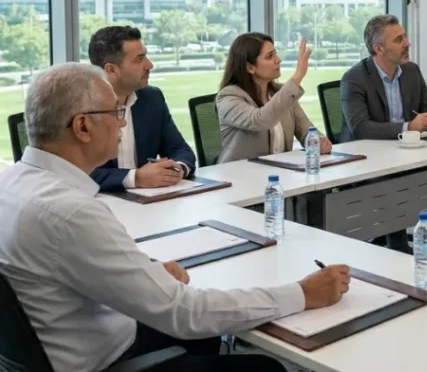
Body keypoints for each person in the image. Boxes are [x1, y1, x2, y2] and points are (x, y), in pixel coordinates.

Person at [0, 63, 351, 372]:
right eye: (115, 113)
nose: (122, 123)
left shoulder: (11, 185)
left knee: (202, 338)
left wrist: (144, 273)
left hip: (65, 340)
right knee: (264, 366)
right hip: (102, 357)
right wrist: (302, 293)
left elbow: (68, 264)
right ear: (82, 127)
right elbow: (187, 313)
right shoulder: (72, 214)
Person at [339, 14, 427, 266]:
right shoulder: (354, 78)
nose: (407, 43)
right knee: (391, 183)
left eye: (405, 36)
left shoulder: (411, 71)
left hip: (407, 150)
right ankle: (396, 249)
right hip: (367, 157)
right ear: (379, 49)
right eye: (399, 39)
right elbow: (360, 128)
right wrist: (408, 126)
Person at [86, 25, 197, 192]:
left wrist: (176, 169)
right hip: (98, 204)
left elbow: (180, 150)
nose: (149, 65)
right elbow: (73, 172)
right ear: (111, 70)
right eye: (139, 59)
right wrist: (135, 178)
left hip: (148, 203)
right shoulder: (81, 106)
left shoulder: (152, 98)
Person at [216, 33, 333, 164]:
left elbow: (306, 130)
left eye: (275, 53)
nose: (278, 60)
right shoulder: (228, 96)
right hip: (239, 177)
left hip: (280, 173)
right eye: (269, 56)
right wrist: (297, 76)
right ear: (249, 67)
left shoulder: (280, 93)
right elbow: (260, 120)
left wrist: (319, 141)